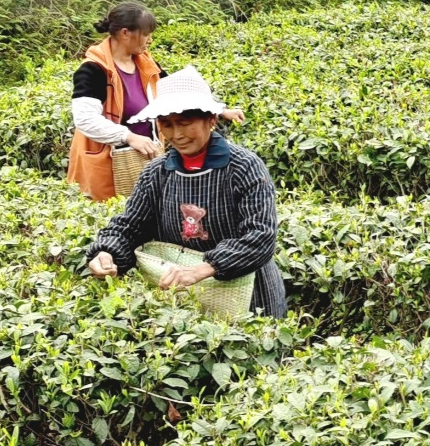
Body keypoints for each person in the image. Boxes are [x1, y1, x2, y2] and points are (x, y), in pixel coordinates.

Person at [85, 68, 287, 317]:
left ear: (211, 119)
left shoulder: (243, 167)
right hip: (182, 299)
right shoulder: (157, 172)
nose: (177, 135)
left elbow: (261, 235)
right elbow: (130, 227)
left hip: (249, 294)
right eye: (167, 125)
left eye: (185, 123)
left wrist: (206, 267)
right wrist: (107, 253)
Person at [68, 2, 244, 201]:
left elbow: (177, 91)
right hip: (110, 162)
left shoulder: (145, 63)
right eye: (145, 34)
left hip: (145, 157)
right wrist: (128, 136)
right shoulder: (93, 70)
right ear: (126, 33)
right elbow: (85, 119)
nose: (150, 40)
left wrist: (219, 110)